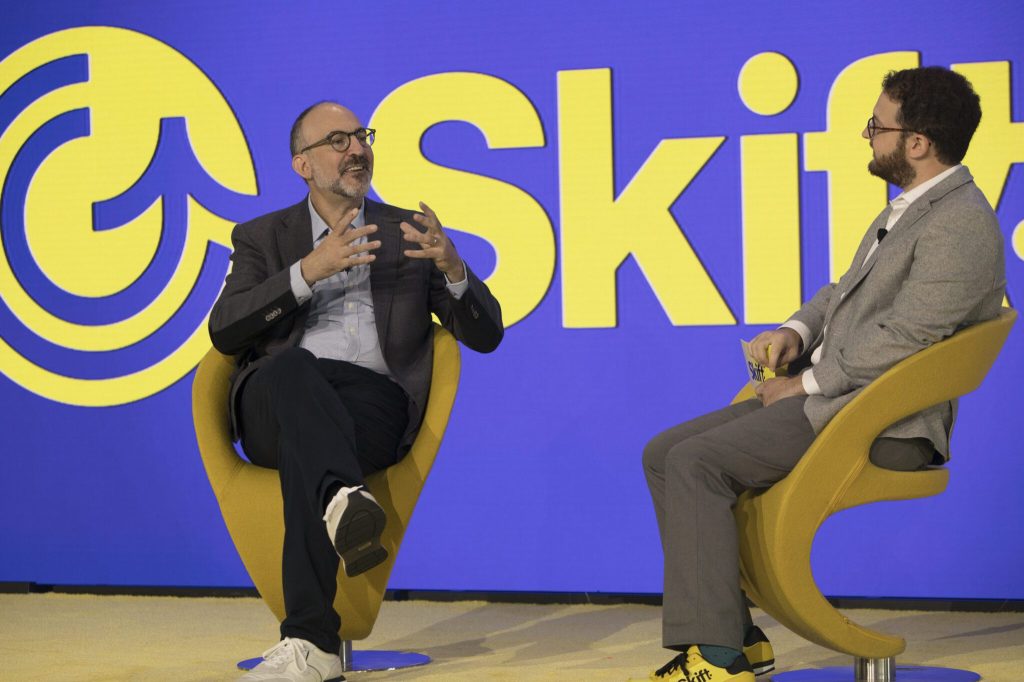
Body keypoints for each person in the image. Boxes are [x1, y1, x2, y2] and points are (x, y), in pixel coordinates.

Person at [636, 66, 1006, 682]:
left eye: (877, 126)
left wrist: (802, 384)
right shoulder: (913, 209)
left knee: (696, 463)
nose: (869, 136)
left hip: (882, 419)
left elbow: (910, 338)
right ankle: (741, 639)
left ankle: (719, 657)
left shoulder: (960, 221)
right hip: (834, 402)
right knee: (664, 452)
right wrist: (797, 331)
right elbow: (845, 293)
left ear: (917, 142)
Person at [209, 101, 503, 682]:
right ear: (302, 164)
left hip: (372, 404)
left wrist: (454, 269)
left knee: (310, 449)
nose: (356, 149)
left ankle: (311, 642)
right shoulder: (264, 236)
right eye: (337, 140)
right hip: (277, 398)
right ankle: (344, 499)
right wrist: (306, 273)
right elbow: (225, 328)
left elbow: (486, 335)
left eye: (361, 136)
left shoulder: (409, 233)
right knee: (295, 372)